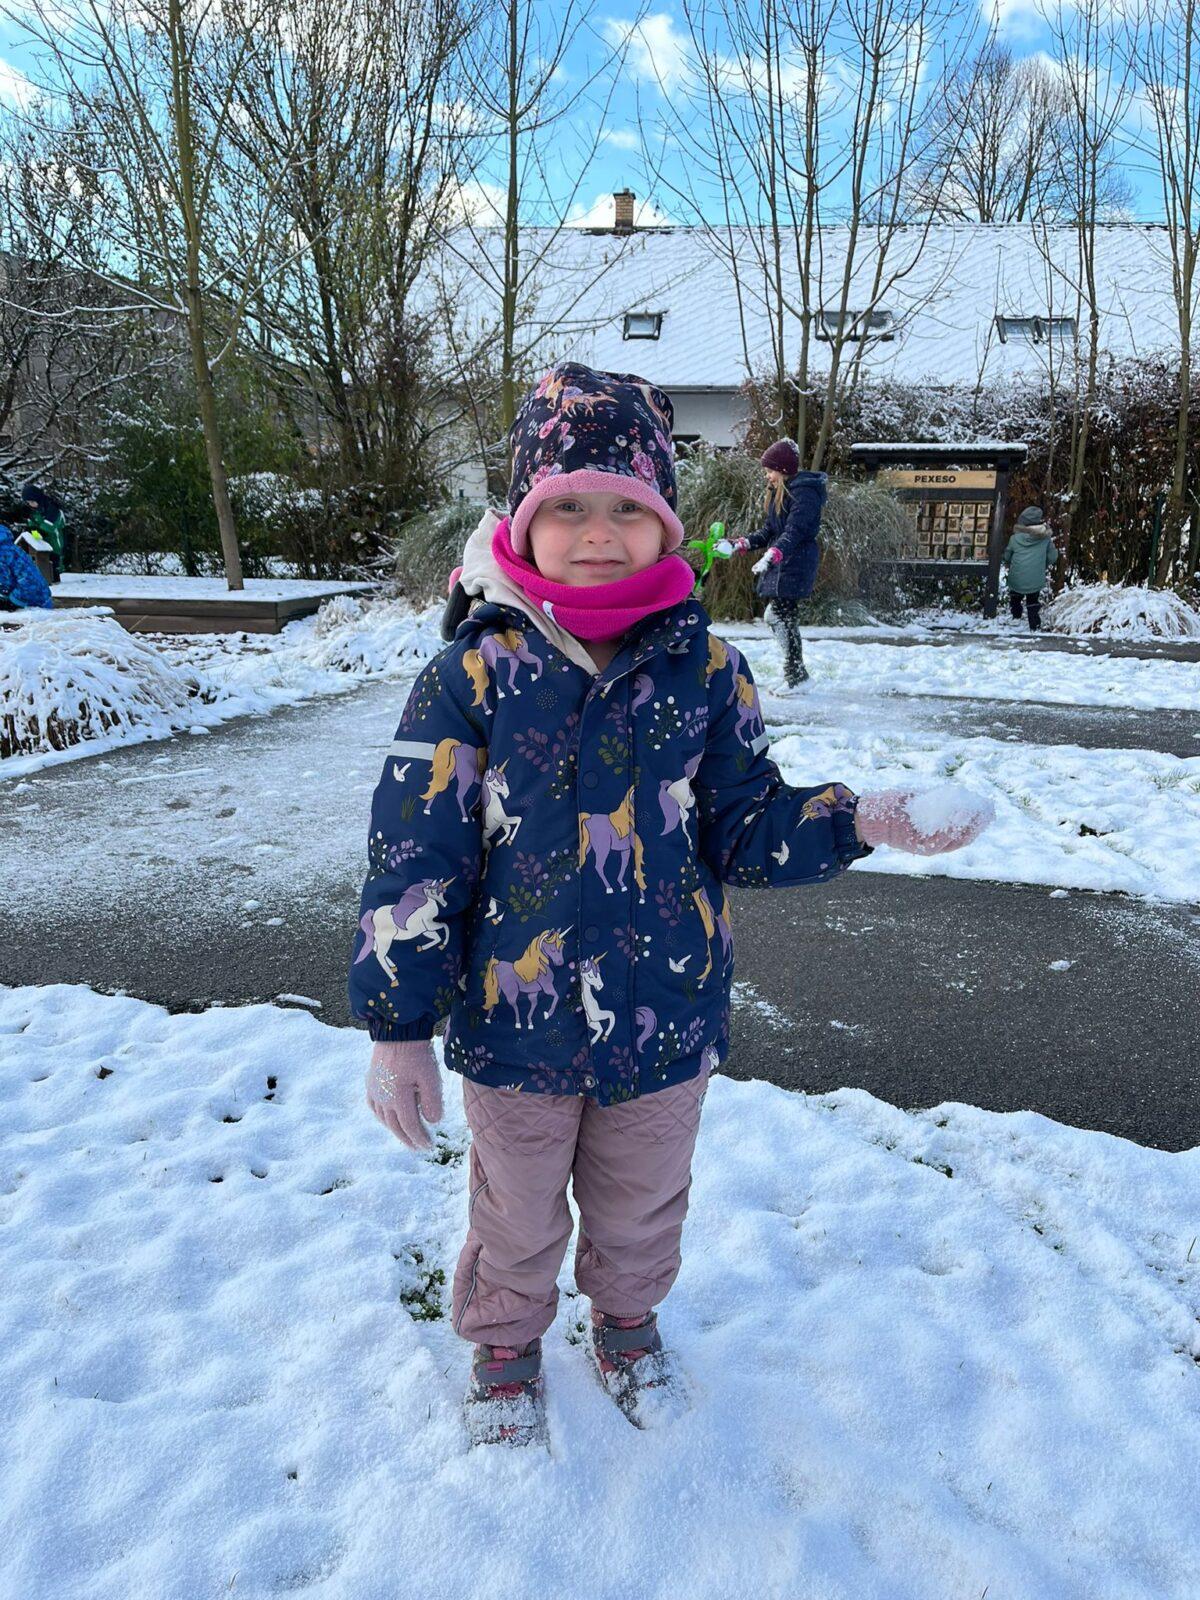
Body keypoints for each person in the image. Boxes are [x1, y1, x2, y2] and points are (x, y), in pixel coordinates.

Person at [348, 362, 991, 1449]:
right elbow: (415, 856)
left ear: (666, 526)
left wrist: (862, 818)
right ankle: (504, 1343)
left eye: (627, 508)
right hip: (515, 1028)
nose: (598, 532)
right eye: (569, 507)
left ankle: (629, 1322)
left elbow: (745, 827)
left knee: (643, 1200)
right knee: (514, 1207)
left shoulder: (710, 672)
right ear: (525, 519)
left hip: (666, 1018)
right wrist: (398, 1027)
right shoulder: (474, 674)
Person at [719, 440, 824, 688]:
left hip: (795, 562)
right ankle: (795, 674)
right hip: (784, 563)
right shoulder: (781, 492)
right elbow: (769, 531)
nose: (767, 476)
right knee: (780, 617)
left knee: (779, 616)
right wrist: (740, 544)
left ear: (783, 469)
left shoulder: (805, 493)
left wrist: (774, 554)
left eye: (770, 471)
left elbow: (795, 531)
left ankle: (796, 676)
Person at [1001, 505, 1059, 632]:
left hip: (1017, 575)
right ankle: (1034, 623)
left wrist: (1009, 562)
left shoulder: (1014, 538)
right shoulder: (1045, 539)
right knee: (1033, 599)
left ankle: (1016, 617)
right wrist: (1042, 564)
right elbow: (1053, 556)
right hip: (1035, 576)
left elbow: (1007, 556)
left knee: (1015, 595)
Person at [0, 522, 53, 611]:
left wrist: (11, 601)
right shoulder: (9, 549)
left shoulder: (5, 553)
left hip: (31, 602)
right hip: (35, 597)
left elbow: (28, 581)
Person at [20, 482, 66, 584]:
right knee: (40, 557)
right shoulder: (34, 511)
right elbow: (33, 526)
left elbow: (49, 527)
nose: (30, 504)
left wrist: (38, 531)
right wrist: (33, 532)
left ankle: (55, 577)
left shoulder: (52, 509)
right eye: (28, 502)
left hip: (54, 539)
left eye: (32, 501)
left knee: (54, 558)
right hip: (41, 540)